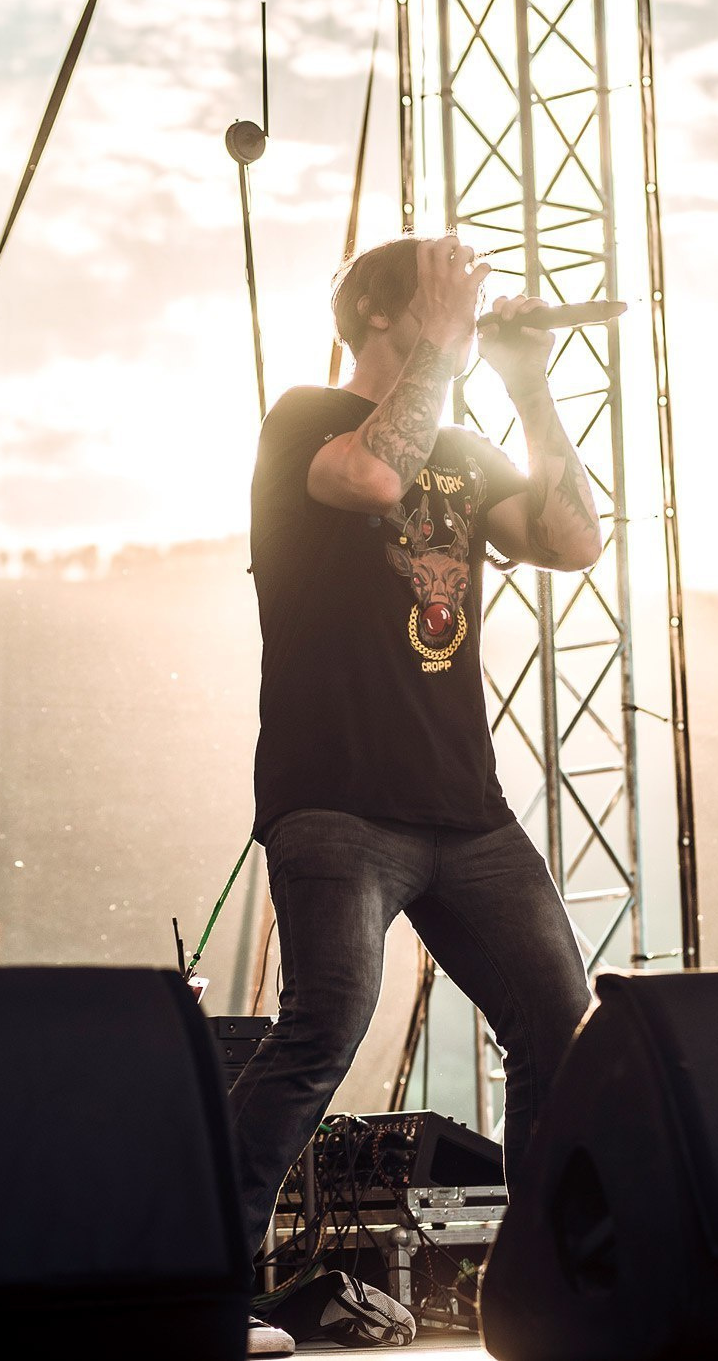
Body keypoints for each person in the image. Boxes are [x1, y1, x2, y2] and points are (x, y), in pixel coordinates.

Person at [232, 236, 601, 1334]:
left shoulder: (465, 449)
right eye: (441, 301)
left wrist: (529, 388)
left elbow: (573, 538)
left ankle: (541, 1287)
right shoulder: (305, 419)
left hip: (466, 809)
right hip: (336, 797)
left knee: (559, 1022)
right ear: (380, 315)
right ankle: (196, 1275)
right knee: (325, 1026)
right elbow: (373, 476)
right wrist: (442, 343)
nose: (463, 315)